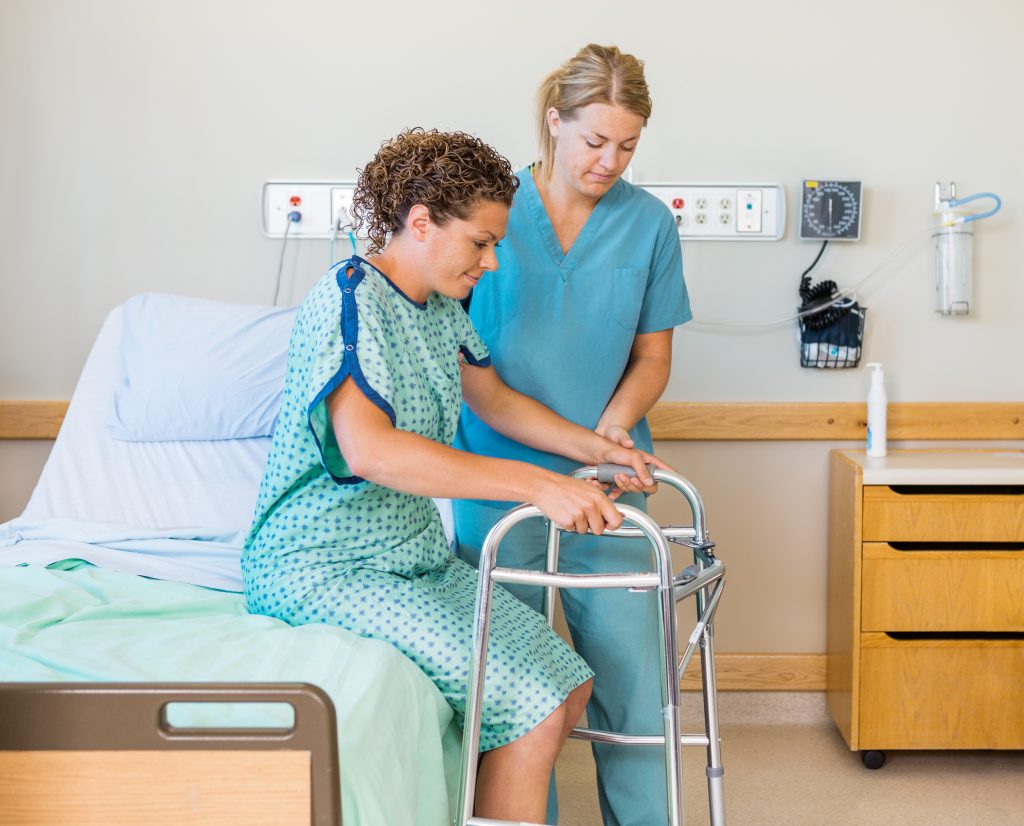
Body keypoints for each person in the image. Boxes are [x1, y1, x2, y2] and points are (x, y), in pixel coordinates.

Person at [241, 127, 666, 823]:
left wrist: (600, 449)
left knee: (568, 687)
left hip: (413, 562)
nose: (493, 262)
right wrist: (537, 486)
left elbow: (494, 400)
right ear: (419, 224)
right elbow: (367, 450)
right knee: (529, 707)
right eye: (481, 242)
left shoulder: (440, 313)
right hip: (325, 567)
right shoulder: (349, 301)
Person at [453, 45, 692, 825]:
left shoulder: (649, 224)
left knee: (634, 683)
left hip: (609, 483)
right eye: (595, 141)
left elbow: (653, 356)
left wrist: (615, 429)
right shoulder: (490, 217)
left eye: (627, 145)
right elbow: (473, 377)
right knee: (516, 697)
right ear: (555, 122)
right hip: (498, 481)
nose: (609, 161)